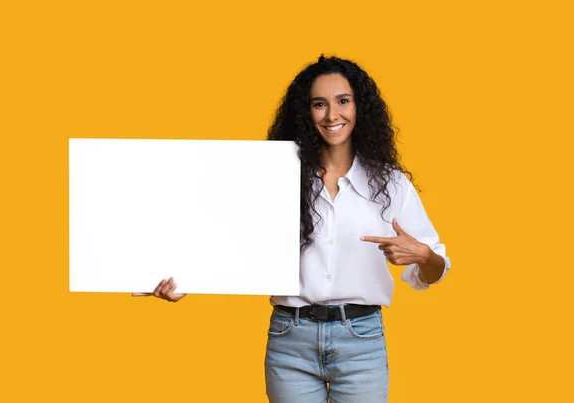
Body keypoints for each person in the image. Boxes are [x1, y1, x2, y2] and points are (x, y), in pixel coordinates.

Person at [133, 55, 451, 403]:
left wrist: (423, 254)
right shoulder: (274, 178)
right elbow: (228, 242)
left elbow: (435, 271)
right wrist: (185, 282)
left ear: (360, 107)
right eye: (320, 104)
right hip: (290, 340)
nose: (332, 115)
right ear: (306, 112)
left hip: (361, 341)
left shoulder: (390, 184)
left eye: (343, 101)